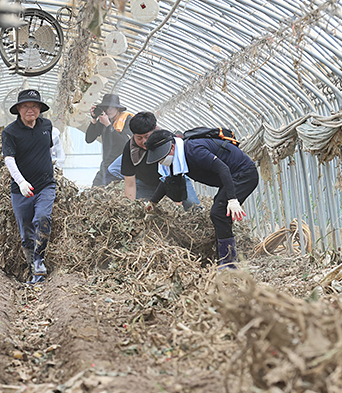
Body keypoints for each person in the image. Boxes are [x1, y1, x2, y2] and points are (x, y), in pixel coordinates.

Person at [144, 128, 259, 268]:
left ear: (172, 146)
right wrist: (153, 203)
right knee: (220, 213)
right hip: (231, 177)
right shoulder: (176, 158)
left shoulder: (193, 150)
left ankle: (229, 263)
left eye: (162, 157)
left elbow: (223, 169)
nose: (162, 161)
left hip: (244, 174)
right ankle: (225, 259)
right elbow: (167, 180)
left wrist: (232, 199)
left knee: (218, 213)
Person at [2, 89, 55, 283]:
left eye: (34, 106)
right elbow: (9, 159)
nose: (30, 110)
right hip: (21, 190)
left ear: (40, 108)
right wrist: (21, 181)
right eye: (25, 106)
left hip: (46, 185)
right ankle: (33, 268)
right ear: (18, 109)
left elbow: (49, 151)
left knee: (42, 217)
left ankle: (40, 261)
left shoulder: (46, 125)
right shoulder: (10, 132)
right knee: (25, 233)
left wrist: (55, 169)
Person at [119, 112, 200, 208]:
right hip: (145, 185)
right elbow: (130, 184)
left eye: (147, 136)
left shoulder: (167, 141)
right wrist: (130, 206)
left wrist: (178, 200)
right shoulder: (130, 149)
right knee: (142, 210)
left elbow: (176, 172)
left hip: (176, 178)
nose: (144, 142)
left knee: (192, 206)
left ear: (155, 130)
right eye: (139, 138)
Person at [85, 93, 133, 186]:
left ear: (117, 108)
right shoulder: (104, 120)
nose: (108, 110)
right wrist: (94, 119)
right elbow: (89, 139)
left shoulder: (127, 120)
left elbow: (124, 143)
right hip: (106, 165)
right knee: (94, 191)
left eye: (111, 108)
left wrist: (108, 125)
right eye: (105, 108)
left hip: (121, 167)